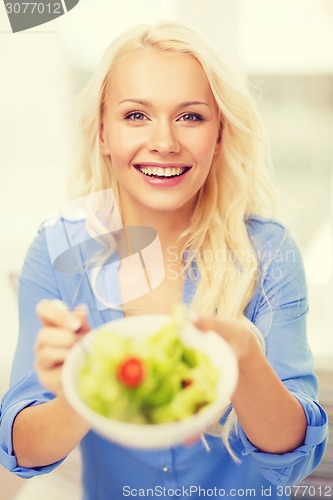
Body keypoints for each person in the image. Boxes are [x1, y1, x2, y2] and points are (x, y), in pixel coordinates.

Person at [0, 21, 328, 500]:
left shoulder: (269, 252)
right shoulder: (58, 252)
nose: (165, 141)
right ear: (103, 133)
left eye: (190, 117)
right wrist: (77, 392)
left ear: (218, 135)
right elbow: (22, 452)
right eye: (136, 115)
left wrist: (246, 362)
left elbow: (291, 459)